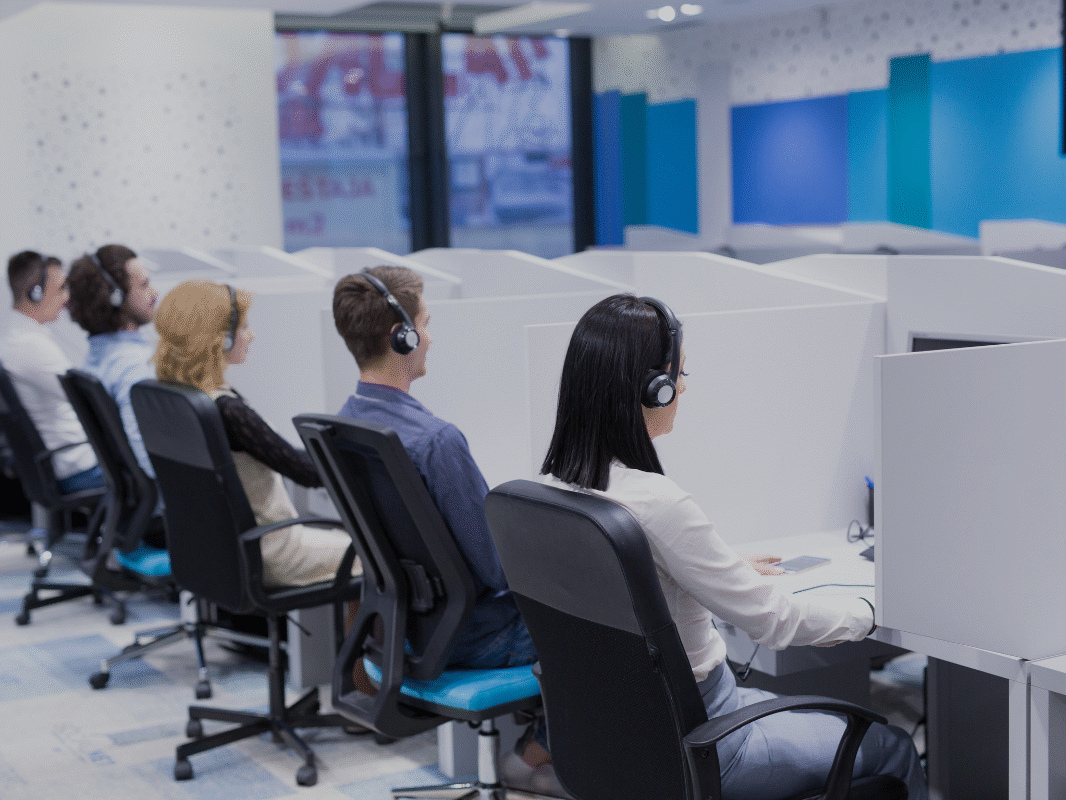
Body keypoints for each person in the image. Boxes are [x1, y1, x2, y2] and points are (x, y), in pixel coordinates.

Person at [540, 294, 927, 800]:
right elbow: (775, 621)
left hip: (610, 732)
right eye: (679, 376)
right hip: (707, 736)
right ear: (653, 390)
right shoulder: (656, 501)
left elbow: (623, 588)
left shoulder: (552, 487)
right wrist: (872, 610)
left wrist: (710, 569)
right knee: (893, 745)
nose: (682, 389)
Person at [332, 266, 565, 795]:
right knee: (600, 621)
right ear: (402, 336)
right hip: (472, 637)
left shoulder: (345, 423)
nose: (430, 339)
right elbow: (495, 568)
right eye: (426, 324)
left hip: (400, 630)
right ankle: (535, 756)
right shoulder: (436, 442)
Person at [152, 280, 356, 588]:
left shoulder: (179, 397)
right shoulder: (228, 411)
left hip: (216, 549)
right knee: (378, 556)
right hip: (273, 552)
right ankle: (363, 639)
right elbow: (307, 473)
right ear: (221, 340)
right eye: (245, 327)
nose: (252, 335)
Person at [0, 250, 103, 493]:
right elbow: (90, 402)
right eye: (61, 288)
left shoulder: (19, 338)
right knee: (152, 473)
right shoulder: (30, 346)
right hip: (78, 466)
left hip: (64, 461)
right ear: (35, 293)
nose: (66, 298)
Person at [66, 245, 159, 481]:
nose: (155, 293)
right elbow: (149, 461)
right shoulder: (134, 367)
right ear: (115, 296)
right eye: (144, 285)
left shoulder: (100, 354)